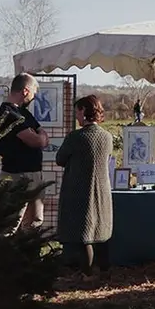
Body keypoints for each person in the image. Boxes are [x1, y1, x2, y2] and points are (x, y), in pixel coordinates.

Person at [56, 95, 114, 276]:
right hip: (102, 190)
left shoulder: (75, 137)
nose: (76, 116)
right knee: (101, 232)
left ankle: (87, 275)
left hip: (80, 190)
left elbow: (60, 159)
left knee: (84, 234)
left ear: (83, 111)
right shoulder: (107, 137)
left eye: (77, 112)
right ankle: (104, 273)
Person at [0, 74, 50, 232]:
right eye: (33, 93)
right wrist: (40, 138)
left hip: (34, 175)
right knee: (11, 223)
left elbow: (43, 135)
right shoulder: (9, 114)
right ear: (25, 91)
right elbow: (37, 141)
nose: (33, 98)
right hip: (17, 176)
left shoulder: (25, 113)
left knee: (34, 222)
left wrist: (40, 137)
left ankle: (30, 255)